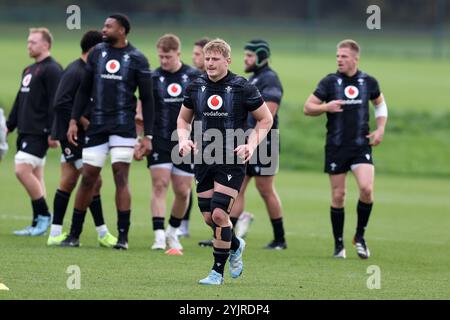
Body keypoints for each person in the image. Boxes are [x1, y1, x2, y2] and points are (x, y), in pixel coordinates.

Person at [177, 39, 273, 285]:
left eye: (215, 59)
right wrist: (184, 139)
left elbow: (266, 119)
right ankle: (236, 244)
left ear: (227, 61)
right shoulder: (195, 86)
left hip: (231, 160)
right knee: (210, 219)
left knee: (220, 214)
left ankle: (216, 273)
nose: (209, 63)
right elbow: (182, 121)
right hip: (203, 159)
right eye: (207, 59)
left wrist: (250, 145)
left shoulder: (243, 87)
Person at [63, 13, 155, 249]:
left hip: (123, 127)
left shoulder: (137, 59)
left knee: (120, 176)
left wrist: (148, 136)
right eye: (104, 25)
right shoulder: (96, 54)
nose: (104, 30)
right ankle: (74, 235)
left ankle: (122, 238)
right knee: (88, 178)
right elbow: (84, 90)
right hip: (97, 125)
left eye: (109, 26)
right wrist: (74, 120)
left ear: (122, 30)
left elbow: (148, 98)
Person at [303, 39, 388, 259]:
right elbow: (308, 107)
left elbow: (380, 104)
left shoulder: (368, 81)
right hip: (336, 146)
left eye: (344, 56)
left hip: (360, 146)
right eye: (337, 56)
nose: (339, 60)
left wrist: (380, 129)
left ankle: (359, 236)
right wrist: (325, 107)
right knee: (339, 195)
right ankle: (339, 244)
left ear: (355, 58)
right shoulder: (329, 82)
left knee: (367, 189)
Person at [47, 30, 117, 247]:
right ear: (95, 49)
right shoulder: (75, 70)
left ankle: (55, 232)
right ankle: (103, 232)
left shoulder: (89, 70)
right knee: (94, 180)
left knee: (68, 181)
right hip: (73, 136)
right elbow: (61, 102)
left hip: (81, 135)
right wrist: (82, 120)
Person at [229, 39, 286, 249]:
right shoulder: (254, 78)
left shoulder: (270, 79)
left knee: (265, 189)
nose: (245, 59)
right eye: (245, 55)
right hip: (247, 141)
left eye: (250, 56)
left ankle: (280, 239)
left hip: (265, 143)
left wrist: (252, 138)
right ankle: (227, 235)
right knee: (238, 187)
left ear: (261, 57)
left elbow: (269, 113)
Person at [6, 28, 62, 236]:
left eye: (33, 42)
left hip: (40, 131)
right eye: (28, 42)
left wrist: (54, 132)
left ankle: (45, 215)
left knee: (21, 169)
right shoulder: (29, 70)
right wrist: (9, 126)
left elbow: (56, 102)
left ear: (46, 45)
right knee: (37, 177)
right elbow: (20, 100)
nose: (29, 45)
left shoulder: (53, 69)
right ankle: (36, 222)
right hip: (25, 130)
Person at [148, 34, 202, 253]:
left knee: (182, 190)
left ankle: (173, 230)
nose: (163, 61)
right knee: (159, 185)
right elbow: (144, 109)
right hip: (160, 139)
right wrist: (143, 137)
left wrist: (198, 137)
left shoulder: (194, 76)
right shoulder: (153, 78)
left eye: (167, 57)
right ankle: (159, 235)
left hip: (185, 141)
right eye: (160, 56)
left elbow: (201, 110)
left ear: (178, 54)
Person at [178, 36, 209, 239]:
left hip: (214, 143)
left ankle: (228, 229)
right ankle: (184, 226)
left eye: (198, 54)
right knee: (188, 182)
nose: (194, 58)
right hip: (193, 139)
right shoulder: (193, 80)